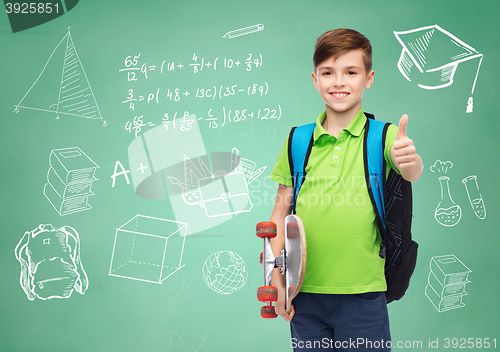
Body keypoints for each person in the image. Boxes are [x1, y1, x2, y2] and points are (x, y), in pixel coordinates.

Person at [268, 28, 423, 351]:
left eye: (351, 72)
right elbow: (280, 213)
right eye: (328, 72)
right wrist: (276, 281)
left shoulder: (384, 136)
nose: (339, 82)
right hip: (304, 295)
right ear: (315, 79)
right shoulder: (298, 140)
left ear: (368, 78)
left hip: (363, 296)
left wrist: (409, 161)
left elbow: (411, 172)